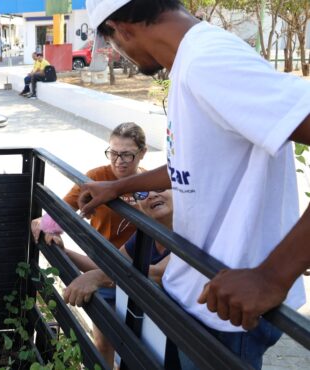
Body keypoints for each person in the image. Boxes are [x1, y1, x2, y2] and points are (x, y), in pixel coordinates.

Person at [78, 1, 310, 368]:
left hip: (229, 311)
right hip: (194, 297)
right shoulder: (191, 63)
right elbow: (191, 164)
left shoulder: (209, 61)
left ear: (121, 29)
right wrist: (119, 187)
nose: (114, 51)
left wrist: (273, 275)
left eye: (108, 42)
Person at [31, 121, 147, 366]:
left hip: (139, 275)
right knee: (104, 342)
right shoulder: (96, 177)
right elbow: (62, 210)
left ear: (142, 153)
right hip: (99, 269)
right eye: (113, 153)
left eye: (127, 154)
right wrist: (47, 226)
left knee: (139, 346)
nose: (119, 161)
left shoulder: (149, 185)